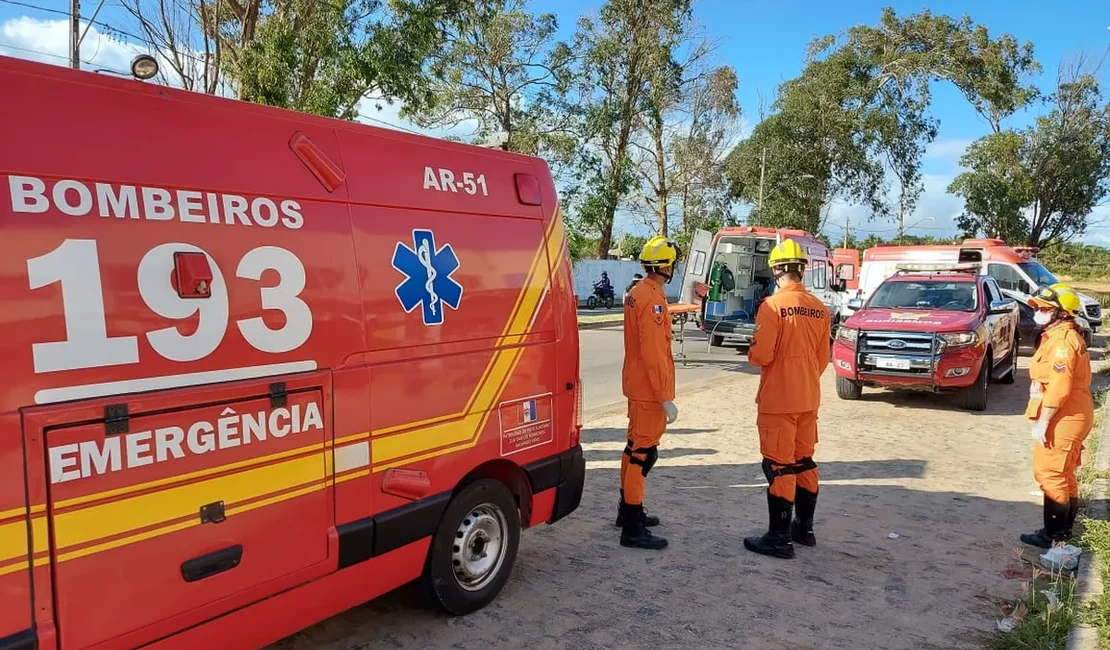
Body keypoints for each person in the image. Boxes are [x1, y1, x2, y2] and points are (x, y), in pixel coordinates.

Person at [743, 238, 831, 559]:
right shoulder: (820, 310)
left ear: (777, 269)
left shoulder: (771, 306)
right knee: (804, 461)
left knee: (778, 466)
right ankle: (803, 529)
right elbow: (823, 360)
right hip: (808, 398)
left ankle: (779, 538)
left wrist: (751, 349)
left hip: (779, 400)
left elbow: (761, 355)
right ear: (802, 270)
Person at [618, 235, 681, 550]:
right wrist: (665, 397)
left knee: (633, 449)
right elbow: (655, 353)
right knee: (644, 453)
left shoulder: (639, 293)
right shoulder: (652, 300)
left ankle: (626, 511)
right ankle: (632, 526)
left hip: (637, 384)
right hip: (649, 390)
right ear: (666, 266)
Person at [1021, 283, 1094, 548]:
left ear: (1063, 313)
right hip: (1071, 411)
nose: (1038, 313)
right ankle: (1061, 531)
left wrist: (1044, 421)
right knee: (1064, 473)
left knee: (1050, 473)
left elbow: (1060, 388)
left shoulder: (1063, 342)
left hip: (1065, 414)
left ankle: (1054, 534)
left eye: (1044, 309)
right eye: (1038, 307)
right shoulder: (1058, 336)